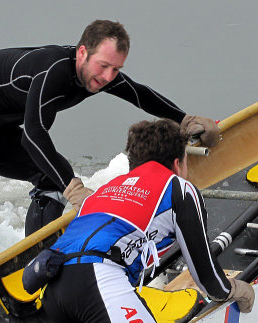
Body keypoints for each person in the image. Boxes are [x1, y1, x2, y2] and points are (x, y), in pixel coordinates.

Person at [0, 20, 219, 299]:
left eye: (115, 69)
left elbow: (139, 94)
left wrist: (185, 120)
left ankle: (35, 273)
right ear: (83, 52)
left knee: (50, 180)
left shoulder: (98, 73)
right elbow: (33, 134)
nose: (107, 77)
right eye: (103, 66)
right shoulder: (55, 70)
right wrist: (73, 187)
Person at [40, 119, 254, 323]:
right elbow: (209, 280)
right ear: (178, 164)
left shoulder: (105, 190)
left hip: (52, 289)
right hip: (97, 283)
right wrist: (239, 290)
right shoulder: (179, 187)